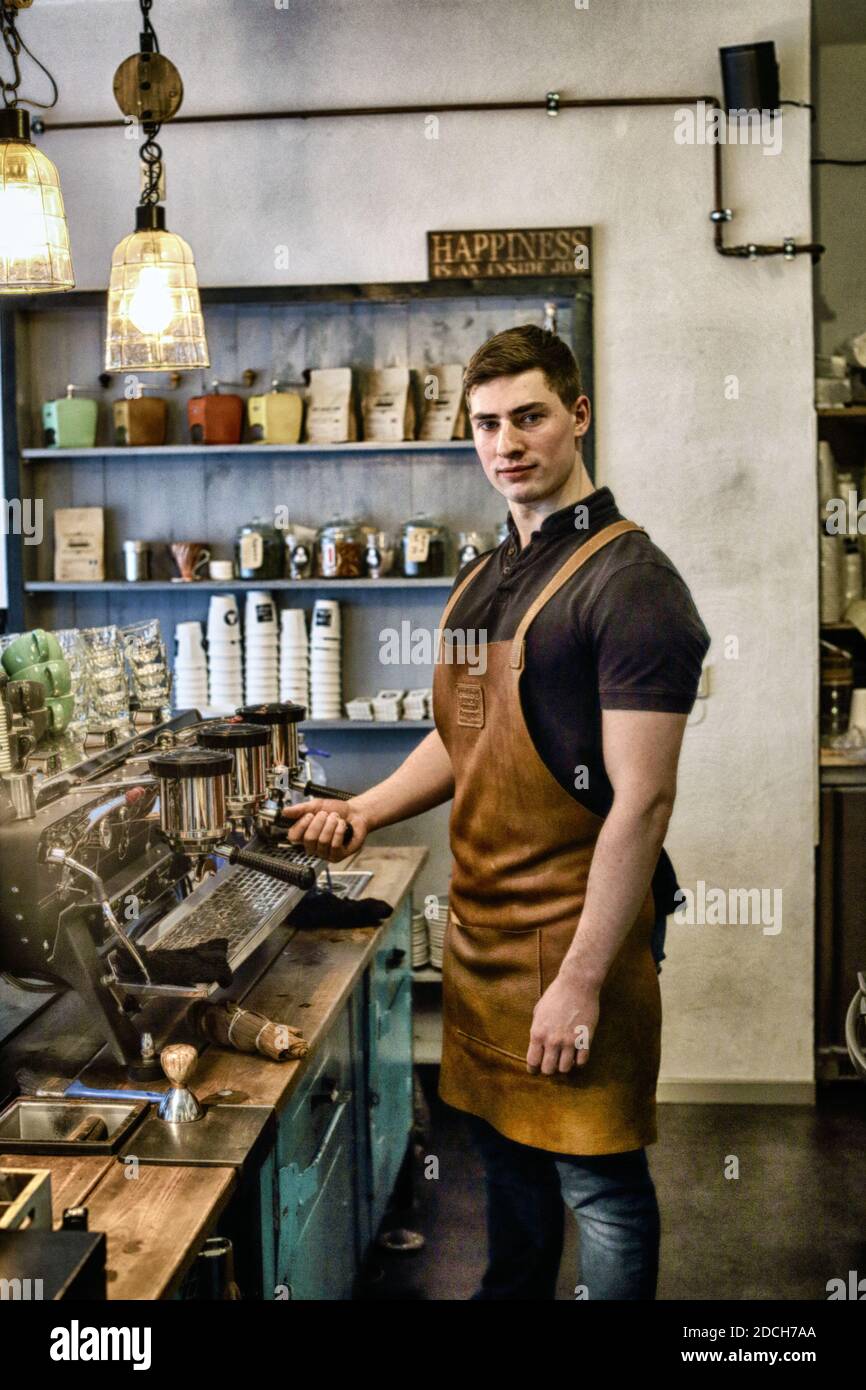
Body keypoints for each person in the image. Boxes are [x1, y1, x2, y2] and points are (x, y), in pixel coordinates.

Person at [280, 325, 711, 1300]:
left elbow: (639, 806)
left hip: (577, 930)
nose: (506, 442)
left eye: (529, 417)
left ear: (577, 416)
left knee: (597, 1182)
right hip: (483, 928)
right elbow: (463, 738)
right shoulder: (483, 579)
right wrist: (364, 810)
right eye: (485, 424)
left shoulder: (631, 587)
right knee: (506, 1156)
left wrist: (581, 980)